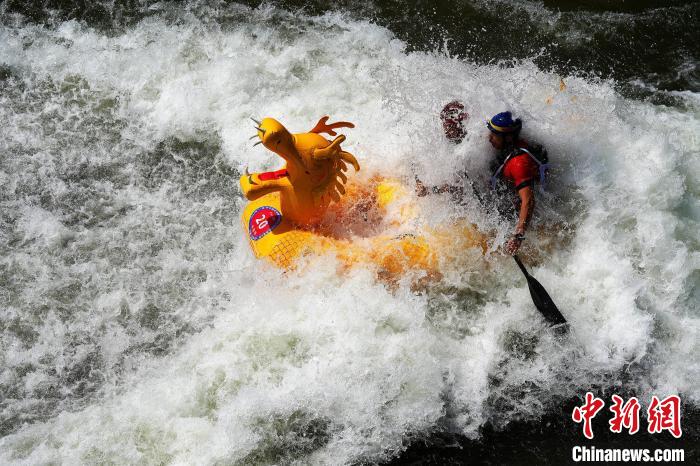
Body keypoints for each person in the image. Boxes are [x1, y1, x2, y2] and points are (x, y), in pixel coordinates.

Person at [417, 103, 549, 255]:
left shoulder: (519, 163)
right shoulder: (504, 146)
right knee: (469, 186)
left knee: (470, 195)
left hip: (513, 209)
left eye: (494, 135)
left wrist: (517, 236)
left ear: (508, 138)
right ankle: (431, 190)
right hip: (504, 187)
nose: (489, 138)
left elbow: (528, 200)